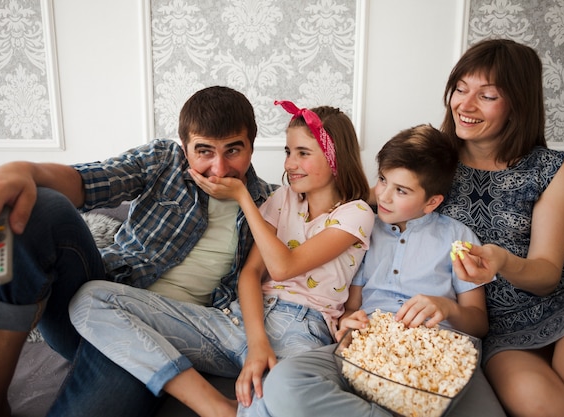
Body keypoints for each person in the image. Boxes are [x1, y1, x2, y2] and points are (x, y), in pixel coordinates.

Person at [0, 86, 277, 417]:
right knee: (40, 205)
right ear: (185, 148)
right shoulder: (163, 161)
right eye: (204, 151)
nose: (219, 168)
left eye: (233, 151)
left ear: (251, 148)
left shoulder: (273, 205)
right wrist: (25, 170)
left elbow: (306, 265)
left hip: (160, 336)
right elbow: (88, 181)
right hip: (94, 302)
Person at [68, 101, 375, 417]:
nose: (290, 164)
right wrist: (256, 343)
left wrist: (243, 197)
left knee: (279, 403)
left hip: (301, 329)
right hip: (236, 320)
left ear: (335, 157)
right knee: (90, 299)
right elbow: (251, 274)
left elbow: (284, 267)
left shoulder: (356, 214)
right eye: (288, 152)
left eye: (303, 153)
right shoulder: (282, 199)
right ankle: (214, 407)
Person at [253, 123, 507, 417]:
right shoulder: (363, 228)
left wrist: (445, 307)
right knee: (283, 382)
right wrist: (347, 322)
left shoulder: (457, 237)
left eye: (401, 190)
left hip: (439, 355)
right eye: (383, 180)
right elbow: (352, 307)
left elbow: (479, 324)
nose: (384, 196)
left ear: (432, 202)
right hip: (370, 350)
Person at [439, 39, 564, 416]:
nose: (465, 105)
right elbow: (375, 197)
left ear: (517, 103)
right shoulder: (431, 160)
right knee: (539, 403)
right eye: (460, 89)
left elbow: (547, 276)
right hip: (498, 327)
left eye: (486, 95)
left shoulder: (552, 168)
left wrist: (502, 261)